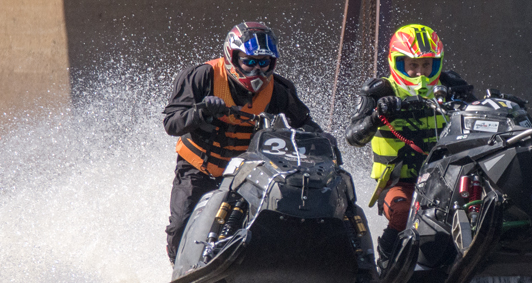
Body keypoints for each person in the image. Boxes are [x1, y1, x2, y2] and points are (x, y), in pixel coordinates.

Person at [162, 21, 320, 263]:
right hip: (198, 168)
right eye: (250, 62)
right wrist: (201, 111)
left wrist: (323, 143)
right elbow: (171, 123)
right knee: (181, 223)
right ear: (233, 57)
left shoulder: (278, 90)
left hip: (246, 173)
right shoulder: (203, 76)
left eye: (263, 63)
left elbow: (305, 126)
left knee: (277, 214)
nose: (257, 71)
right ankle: (180, 271)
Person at [345, 23, 473, 267]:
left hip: (446, 179)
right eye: (412, 65)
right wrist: (376, 117)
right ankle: (384, 262)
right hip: (397, 182)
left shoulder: (452, 86)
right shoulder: (379, 90)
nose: (420, 73)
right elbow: (353, 138)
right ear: (397, 62)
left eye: (427, 65)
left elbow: (478, 113)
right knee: (404, 214)